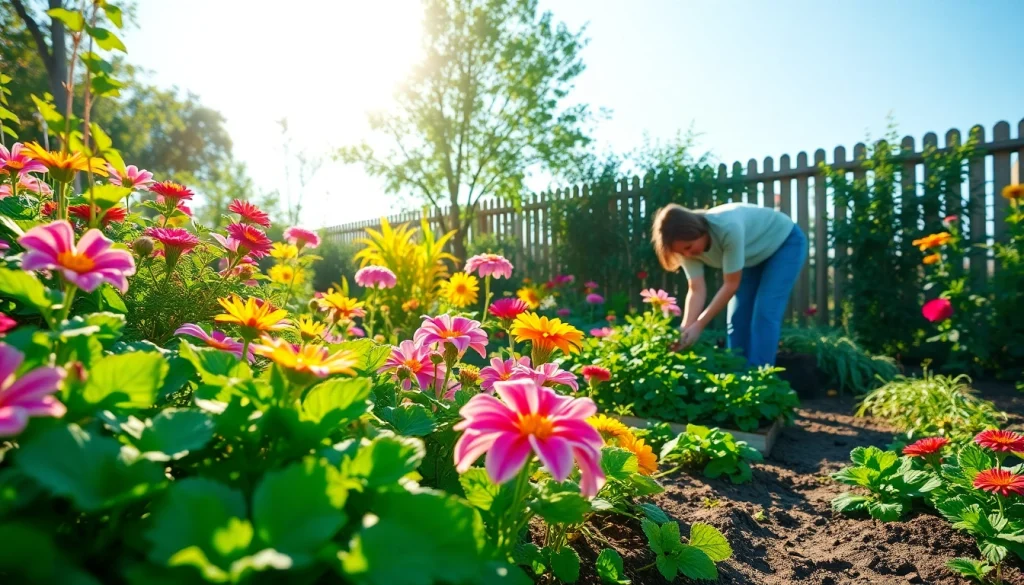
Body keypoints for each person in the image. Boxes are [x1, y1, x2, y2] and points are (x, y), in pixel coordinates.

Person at [651, 201, 807, 366]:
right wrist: (685, 329)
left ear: (699, 231)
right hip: (751, 256)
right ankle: (737, 374)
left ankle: (759, 379)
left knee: (765, 312)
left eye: (689, 247)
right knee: (737, 317)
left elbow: (731, 285)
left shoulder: (727, 227)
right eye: (681, 252)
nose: (687, 254)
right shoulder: (685, 248)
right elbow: (696, 289)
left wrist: (700, 325)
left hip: (783, 242)